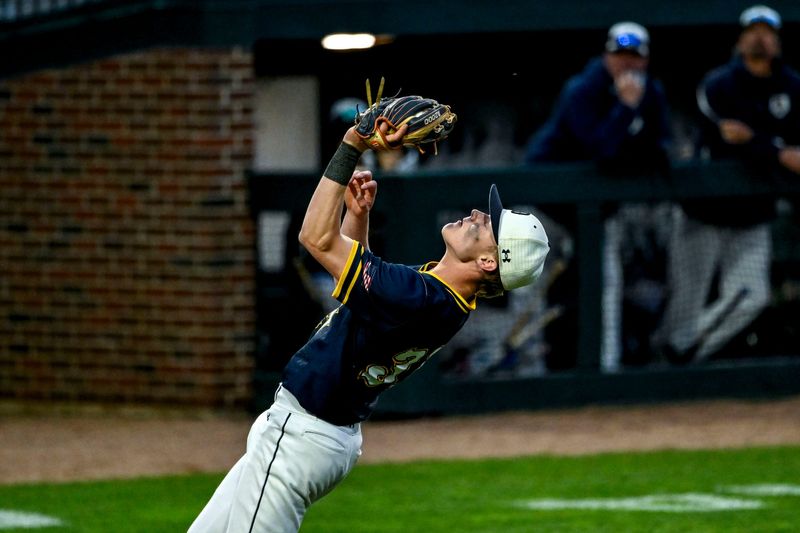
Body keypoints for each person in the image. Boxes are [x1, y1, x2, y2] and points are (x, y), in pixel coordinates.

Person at [188, 121, 550, 532]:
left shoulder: (421, 295)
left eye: (487, 227)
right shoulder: (441, 295)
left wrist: (351, 145)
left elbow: (315, 239)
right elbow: (361, 293)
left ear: (488, 262)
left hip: (303, 436)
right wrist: (356, 217)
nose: (477, 216)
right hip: (319, 434)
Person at [654, 5, 800, 363]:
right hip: (704, 212)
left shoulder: (793, 85)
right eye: (753, 30)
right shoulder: (720, 83)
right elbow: (731, 136)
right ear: (739, 40)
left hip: (753, 215)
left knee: (752, 296)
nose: (760, 37)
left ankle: (682, 359)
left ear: (778, 42)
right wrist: (778, 150)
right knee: (685, 305)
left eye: (768, 31)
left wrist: (760, 142)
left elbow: (757, 139)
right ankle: (666, 358)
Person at [524, 21, 673, 371]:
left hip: (595, 214)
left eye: (634, 57)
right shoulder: (582, 89)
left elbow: (662, 149)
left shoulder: (653, 93)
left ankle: (606, 368)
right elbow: (600, 152)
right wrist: (626, 108)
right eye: (620, 56)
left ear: (646, 60)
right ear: (607, 56)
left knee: (606, 287)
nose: (627, 64)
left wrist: (633, 122)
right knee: (528, 286)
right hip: (545, 208)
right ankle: (526, 369)